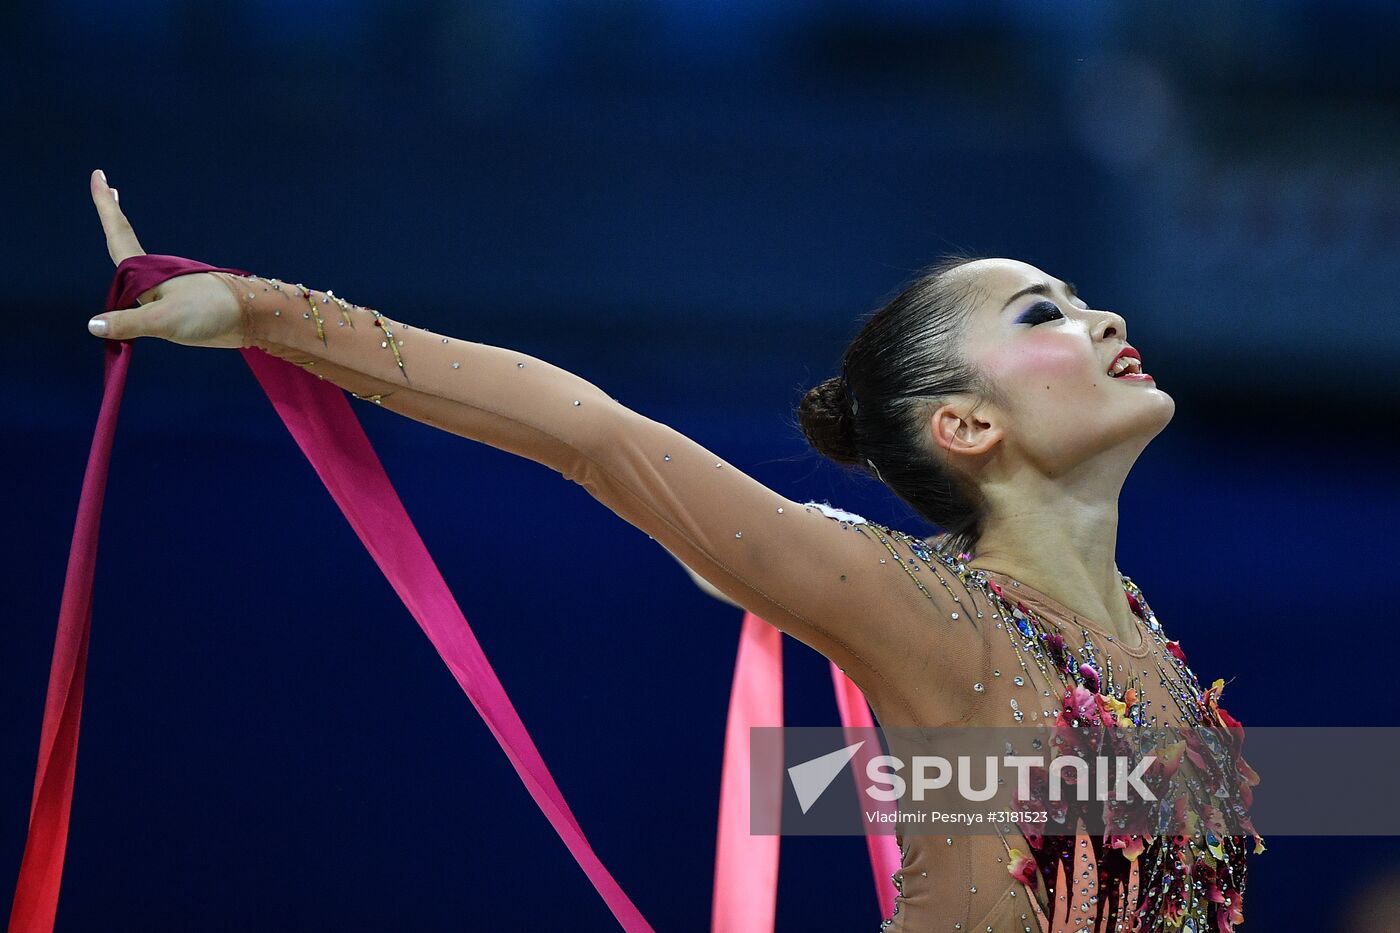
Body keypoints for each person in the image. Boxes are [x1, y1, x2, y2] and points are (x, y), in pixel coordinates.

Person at [84, 169, 1260, 932]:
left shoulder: (1155, 663)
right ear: (964, 426)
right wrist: (257, 312)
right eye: (1041, 314)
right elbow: (594, 436)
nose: (1099, 318)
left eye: (1079, 300)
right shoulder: (934, 621)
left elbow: (940, 793)